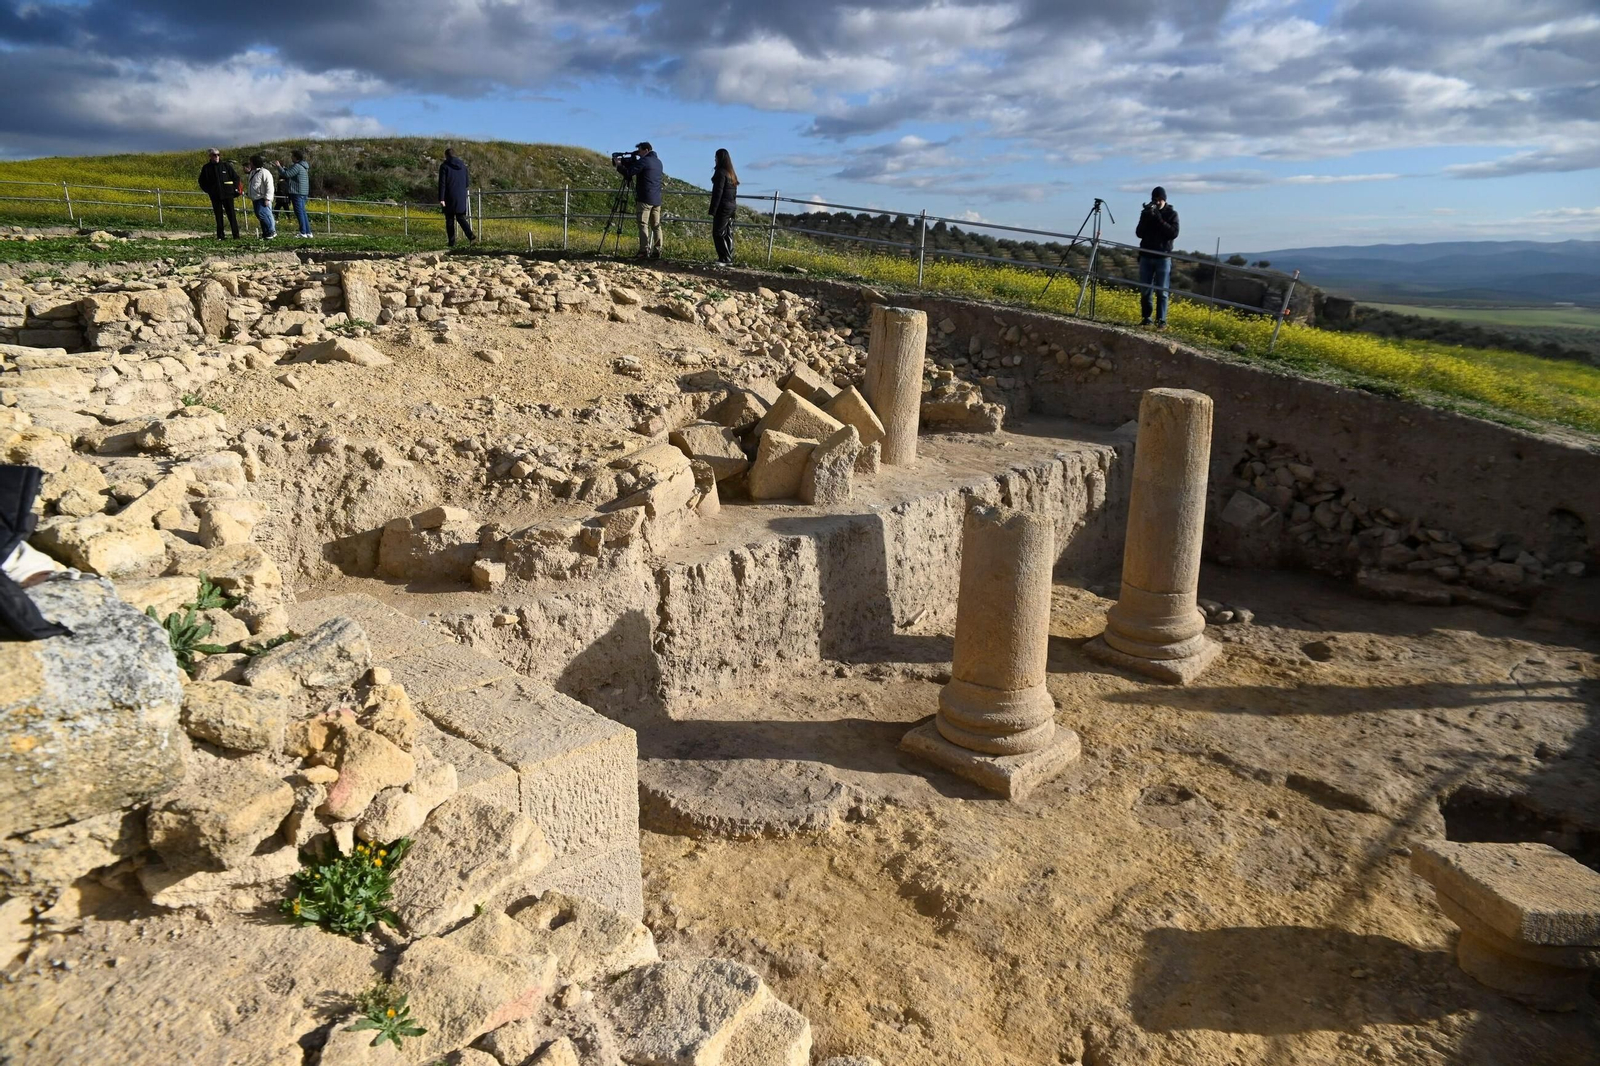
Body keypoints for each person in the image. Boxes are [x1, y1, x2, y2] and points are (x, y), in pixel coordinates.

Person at [1135, 186, 1179, 329]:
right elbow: (1139, 233)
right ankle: (1147, 318)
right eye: (1155, 199)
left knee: (1162, 291)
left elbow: (1173, 233)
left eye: (1160, 199)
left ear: (1164, 200)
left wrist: (1159, 219)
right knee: (1146, 289)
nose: (1158, 202)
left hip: (1163, 257)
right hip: (1146, 256)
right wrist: (1147, 218)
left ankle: (1161, 321)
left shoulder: (1172, 214)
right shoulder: (1146, 213)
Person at [615, 141, 664, 259]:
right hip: (657, 199)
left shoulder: (644, 161)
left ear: (646, 150)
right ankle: (658, 250)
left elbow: (628, 173)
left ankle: (643, 251)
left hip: (645, 199)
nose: (639, 154)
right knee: (656, 225)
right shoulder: (658, 162)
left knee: (643, 224)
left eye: (640, 151)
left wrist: (619, 165)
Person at [197, 148, 241, 240]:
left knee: (231, 215)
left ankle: (236, 235)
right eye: (214, 155)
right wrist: (209, 190)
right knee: (218, 215)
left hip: (228, 194)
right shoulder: (206, 168)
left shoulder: (226, 166)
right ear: (210, 156)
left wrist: (234, 189)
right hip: (215, 195)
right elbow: (201, 181)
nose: (217, 156)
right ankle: (220, 236)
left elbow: (236, 178)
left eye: (218, 154)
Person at [437, 147, 475, 247]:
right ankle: (471, 236)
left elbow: (442, 183)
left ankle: (452, 242)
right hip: (461, 195)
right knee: (460, 217)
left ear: (446, 156)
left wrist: (441, 198)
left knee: (449, 220)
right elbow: (467, 183)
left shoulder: (444, 166)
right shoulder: (463, 166)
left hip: (449, 195)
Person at [273, 149, 313, 238]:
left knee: (299, 212)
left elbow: (286, 174)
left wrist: (278, 166)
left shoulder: (297, 166)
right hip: (303, 192)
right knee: (303, 212)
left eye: (292, 156)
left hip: (297, 192)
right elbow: (290, 172)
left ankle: (303, 232)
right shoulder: (303, 166)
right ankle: (308, 232)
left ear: (296, 157)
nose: (291, 158)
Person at [709, 148, 738, 265]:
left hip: (723, 207)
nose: (714, 159)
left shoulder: (720, 173)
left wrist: (713, 210)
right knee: (727, 232)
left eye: (716, 157)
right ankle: (728, 257)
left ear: (719, 158)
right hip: (731, 206)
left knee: (718, 232)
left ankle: (724, 258)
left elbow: (718, 192)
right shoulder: (731, 174)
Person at [246, 155, 276, 240]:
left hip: (262, 198)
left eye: (251, 162)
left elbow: (269, 186)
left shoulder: (265, 172)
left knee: (264, 215)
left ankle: (271, 231)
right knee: (260, 216)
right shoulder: (253, 172)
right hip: (255, 198)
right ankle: (266, 233)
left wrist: (267, 198)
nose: (250, 164)